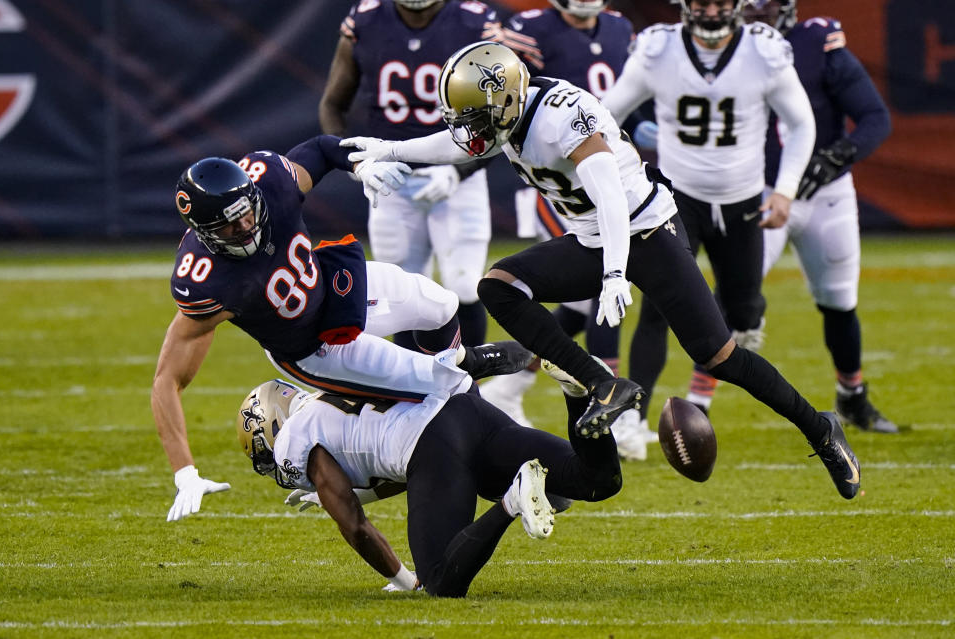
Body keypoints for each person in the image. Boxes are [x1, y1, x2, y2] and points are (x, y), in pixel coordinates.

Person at [343, 40, 861, 500]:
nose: (470, 131)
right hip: (593, 238)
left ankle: (820, 429)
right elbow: (454, 143)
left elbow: (610, 194)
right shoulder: (507, 113)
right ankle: (604, 384)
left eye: (477, 117)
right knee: (500, 287)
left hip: (646, 232)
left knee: (720, 355)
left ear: (505, 100)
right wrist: (389, 149)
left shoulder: (560, 113)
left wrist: (615, 274)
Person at [153, 135, 531, 522]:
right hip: (314, 349)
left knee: (442, 305)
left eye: (246, 213)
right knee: (446, 390)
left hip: (333, 286)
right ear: (205, 232)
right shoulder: (206, 281)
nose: (246, 226)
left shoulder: (271, 183)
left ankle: (458, 372)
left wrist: (359, 166)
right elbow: (167, 380)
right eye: (230, 226)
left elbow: (318, 150)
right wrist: (185, 473)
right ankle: (495, 456)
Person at [600, 0, 816, 431]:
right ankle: (632, 422)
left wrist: (786, 191)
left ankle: (723, 354)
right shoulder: (657, 50)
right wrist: (619, 172)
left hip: (744, 201)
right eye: (703, 3)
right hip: (676, 199)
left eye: (721, 3)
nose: (712, 12)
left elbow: (803, 123)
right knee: (658, 307)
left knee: (743, 310)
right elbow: (604, 116)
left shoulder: (764, 50)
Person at [235, 362, 622, 597]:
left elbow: (355, 528)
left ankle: (513, 498)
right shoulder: (327, 392)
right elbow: (390, 462)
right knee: (596, 479)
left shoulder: (295, 438)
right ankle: (576, 395)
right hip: (467, 411)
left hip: (434, 445)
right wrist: (361, 493)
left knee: (440, 581)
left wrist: (405, 580)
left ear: (272, 426)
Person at [476, 0, 655, 460]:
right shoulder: (529, 29)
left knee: (577, 308)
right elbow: (504, 100)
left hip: (598, 167)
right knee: (600, 290)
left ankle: (511, 386)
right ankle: (617, 405)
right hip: (560, 185)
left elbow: (618, 105)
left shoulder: (617, 28)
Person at [710, 0, 895, 433]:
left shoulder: (815, 41)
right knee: (733, 295)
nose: (756, 14)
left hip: (823, 191)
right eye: (748, 6)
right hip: (759, 189)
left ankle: (852, 394)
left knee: (838, 299)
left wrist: (838, 157)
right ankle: (698, 401)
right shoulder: (712, 49)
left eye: (765, 5)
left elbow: (874, 116)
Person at [318, 0, 503, 349]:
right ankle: (411, 392)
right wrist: (359, 163)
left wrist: (458, 171)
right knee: (402, 293)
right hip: (392, 179)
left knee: (465, 285)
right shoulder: (366, 19)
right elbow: (332, 104)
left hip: (458, 174)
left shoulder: (474, 22)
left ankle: (469, 388)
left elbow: (499, 114)